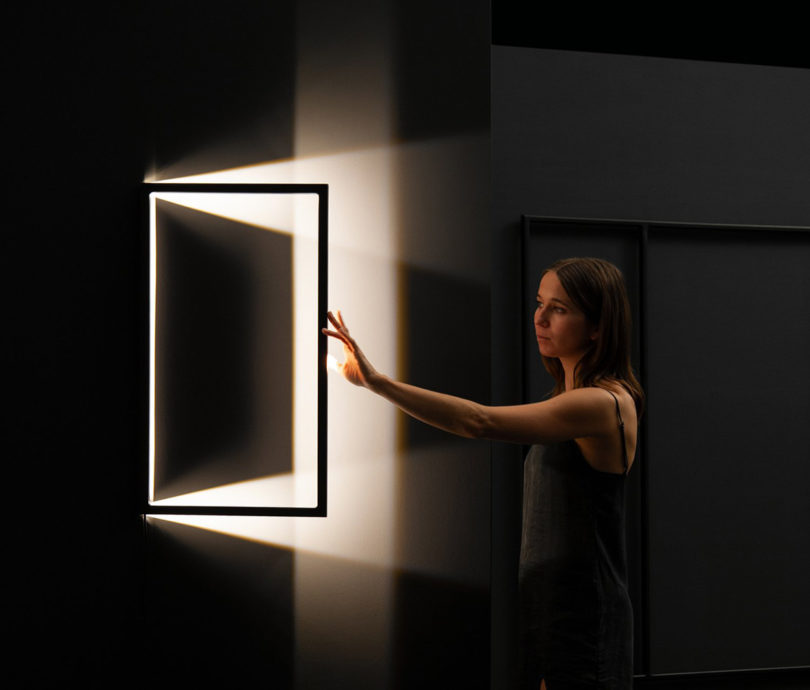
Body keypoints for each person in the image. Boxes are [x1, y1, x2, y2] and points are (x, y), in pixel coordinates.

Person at [323, 257, 643, 690]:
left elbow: (479, 422)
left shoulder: (600, 403)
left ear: (598, 327)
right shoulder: (573, 398)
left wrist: (377, 381)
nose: (541, 317)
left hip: (585, 613)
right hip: (553, 607)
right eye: (540, 302)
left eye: (560, 308)